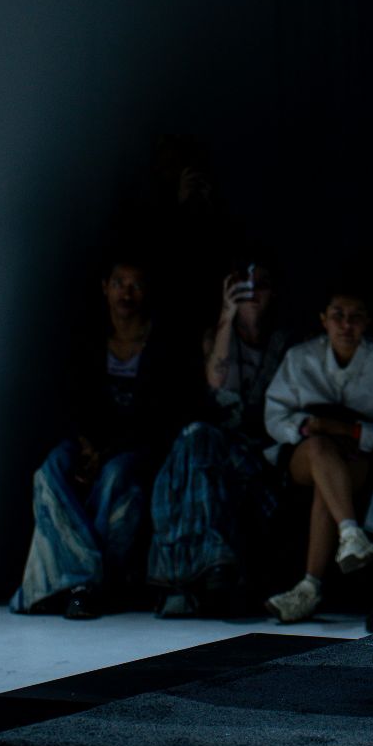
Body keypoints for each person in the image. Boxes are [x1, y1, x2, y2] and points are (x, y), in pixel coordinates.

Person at [11, 258, 187, 618]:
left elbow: (159, 417)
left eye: (135, 285)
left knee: (116, 476)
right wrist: (88, 447)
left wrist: (105, 453)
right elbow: (71, 400)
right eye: (119, 283)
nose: (126, 293)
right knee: (51, 470)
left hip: (134, 449)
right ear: (105, 287)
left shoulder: (162, 345)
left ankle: (85, 584)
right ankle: (84, 577)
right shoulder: (88, 342)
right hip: (88, 442)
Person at [147, 258, 295, 616]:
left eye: (261, 284)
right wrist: (227, 315)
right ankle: (209, 570)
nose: (252, 293)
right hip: (219, 449)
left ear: (274, 292)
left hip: (262, 455)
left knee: (194, 445)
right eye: (244, 286)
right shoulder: (218, 337)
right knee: (194, 446)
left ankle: (179, 581)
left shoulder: (284, 344)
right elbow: (216, 380)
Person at [262, 288, 373, 623]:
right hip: (306, 450)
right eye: (338, 315)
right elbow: (275, 415)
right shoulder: (300, 358)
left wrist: (344, 429)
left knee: (329, 479)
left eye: (355, 317)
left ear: (367, 322)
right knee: (319, 451)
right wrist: (309, 427)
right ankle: (350, 533)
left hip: (355, 453)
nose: (346, 325)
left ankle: (309, 587)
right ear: (324, 320)